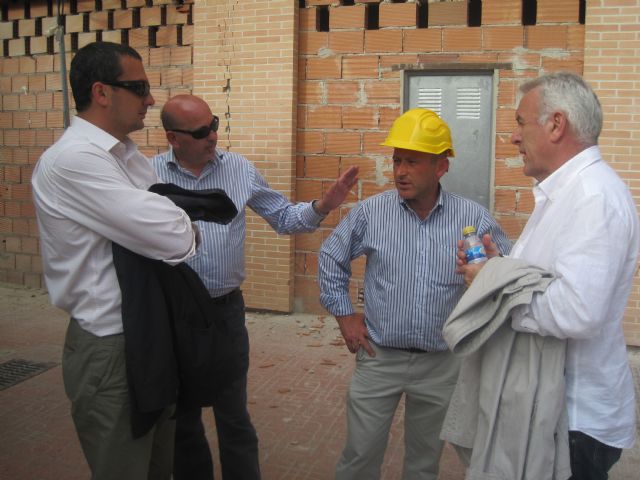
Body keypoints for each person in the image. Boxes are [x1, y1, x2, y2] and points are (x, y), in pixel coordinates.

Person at [151, 94, 359, 480]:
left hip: (225, 313)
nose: (213, 136)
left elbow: (283, 216)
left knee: (234, 417)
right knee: (183, 419)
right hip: (173, 315)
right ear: (173, 138)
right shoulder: (147, 177)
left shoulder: (238, 169)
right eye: (201, 132)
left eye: (213, 124)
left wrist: (322, 205)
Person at [457, 72, 639, 480]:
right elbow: (544, 277)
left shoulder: (592, 197)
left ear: (556, 125)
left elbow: (578, 311)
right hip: (555, 410)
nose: (513, 138)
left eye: (521, 123)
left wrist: (492, 289)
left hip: (574, 421)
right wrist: (497, 266)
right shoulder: (565, 193)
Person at [31, 42, 199, 479]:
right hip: (111, 346)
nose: (150, 100)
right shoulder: (73, 160)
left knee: (160, 466)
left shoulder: (125, 156)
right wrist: (180, 220)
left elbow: (166, 222)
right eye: (139, 87)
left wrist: (172, 219)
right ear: (102, 92)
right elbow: (173, 232)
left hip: (149, 333)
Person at [317, 108, 511, 479]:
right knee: (358, 459)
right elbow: (330, 256)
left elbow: (507, 270)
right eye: (396, 160)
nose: (400, 171)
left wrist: (489, 275)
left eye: (412, 162)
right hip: (379, 359)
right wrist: (344, 315)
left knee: (424, 465)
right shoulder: (372, 213)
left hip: (442, 365)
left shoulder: (473, 220)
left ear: (441, 167)